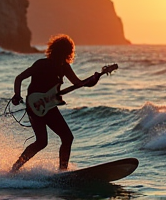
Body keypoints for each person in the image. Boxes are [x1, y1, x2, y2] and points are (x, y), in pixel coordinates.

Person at [10, 34, 99, 172]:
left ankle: (62, 170)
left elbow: (79, 84)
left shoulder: (65, 67)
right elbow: (19, 78)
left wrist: (95, 79)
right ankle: (15, 168)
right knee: (41, 142)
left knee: (67, 137)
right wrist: (17, 95)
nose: (65, 55)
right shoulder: (41, 64)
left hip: (49, 107)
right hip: (34, 106)